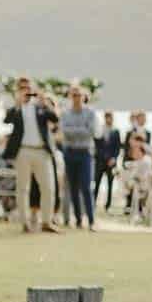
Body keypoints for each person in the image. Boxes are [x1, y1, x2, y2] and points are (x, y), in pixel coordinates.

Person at [3, 75, 60, 234]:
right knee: (23, 188)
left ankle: (47, 221)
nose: (25, 91)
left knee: (48, 187)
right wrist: (17, 104)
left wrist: (45, 103)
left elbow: (55, 118)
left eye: (27, 88)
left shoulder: (40, 107)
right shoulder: (16, 107)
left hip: (42, 150)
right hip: (23, 151)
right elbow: (7, 120)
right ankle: (25, 223)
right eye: (22, 88)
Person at [59, 85, 100, 229]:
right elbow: (64, 131)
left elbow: (91, 131)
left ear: (84, 97)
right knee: (73, 188)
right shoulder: (65, 114)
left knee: (86, 187)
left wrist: (74, 131)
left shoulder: (90, 113)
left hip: (85, 153)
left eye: (79, 95)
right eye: (74, 95)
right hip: (70, 152)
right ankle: (77, 219)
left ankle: (91, 220)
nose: (76, 98)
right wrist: (80, 131)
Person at [122, 133, 152, 222]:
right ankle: (137, 212)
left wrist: (131, 181)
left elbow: (143, 176)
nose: (133, 154)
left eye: (135, 152)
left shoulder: (145, 160)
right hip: (141, 186)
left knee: (131, 185)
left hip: (144, 186)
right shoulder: (140, 161)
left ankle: (138, 213)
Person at [96, 110, 122, 212]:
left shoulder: (116, 131)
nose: (109, 119)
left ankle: (108, 205)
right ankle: (93, 202)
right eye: (108, 117)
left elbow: (118, 147)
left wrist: (114, 158)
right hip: (100, 161)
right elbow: (97, 145)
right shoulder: (100, 129)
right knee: (97, 182)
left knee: (110, 184)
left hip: (111, 162)